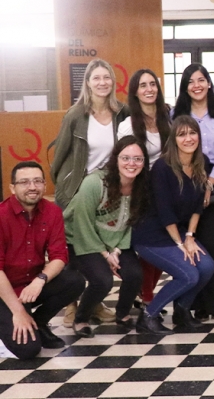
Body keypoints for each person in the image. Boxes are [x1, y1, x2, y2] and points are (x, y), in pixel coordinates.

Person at [132, 117, 214, 334]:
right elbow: (164, 210)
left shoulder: (202, 162)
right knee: (189, 274)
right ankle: (148, 316)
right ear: (174, 139)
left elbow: (198, 205)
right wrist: (181, 244)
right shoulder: (163, 166)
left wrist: (190, 237)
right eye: (181, 134)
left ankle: (182, 311)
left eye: (192, 133)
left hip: (176, 231)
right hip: (151, 233)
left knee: (206, 267)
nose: (188, 138)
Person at [63, 137, 147, 337]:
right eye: (126, 158)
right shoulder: (94, 183)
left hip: (116, 241)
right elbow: (82, 223)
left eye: (138, 159)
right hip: (79, 239)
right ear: (115, 158)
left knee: (135, 274)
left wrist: (116, 250)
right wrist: (104, 253)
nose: (131, 164)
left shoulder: (141, 186)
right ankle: (81, 318)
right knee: (103, 280)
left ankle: (123, 314)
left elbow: (132, 222)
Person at [0, 162, 85, 357]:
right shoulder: (1, 216)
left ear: (45, 185)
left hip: (29, 285)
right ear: (12, 187)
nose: (32, 187)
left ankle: (37, 322)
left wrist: (40, 280)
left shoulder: (52, 211)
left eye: (37, 181)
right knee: (29, 350)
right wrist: (18, 312)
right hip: (4, 291)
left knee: (74, 281)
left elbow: (59, 257)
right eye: (24, 182)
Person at [172, 63, 214, 322]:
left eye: (201, 79)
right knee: (188, 247)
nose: (196, 85)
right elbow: (174, 149)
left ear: (209, 82)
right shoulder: (177, 113)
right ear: (185, 87)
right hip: (184, 187)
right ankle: (192, 302)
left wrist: (208, 183)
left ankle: (213, 301)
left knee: (208, 245)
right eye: (190, 82)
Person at [117, 69, 174, 312]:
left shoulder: (168, 117)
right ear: (135, 92)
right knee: (148, 245)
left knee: (164, 242)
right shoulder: (128, 124)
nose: (149, 89)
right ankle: (146, 295)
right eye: (143, 85)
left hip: (167, 189)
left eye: (153, 84)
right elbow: (121, 158)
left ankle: (146, 292)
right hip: (141, 193)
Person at [52, 58, 130, 209]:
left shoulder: (123, 112)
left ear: (113, 81)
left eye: (106, 77)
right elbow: (59, 156)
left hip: (109, 190)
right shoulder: (74, 115)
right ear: (88, 83)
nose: (102, 82)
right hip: (77, 191)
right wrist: (63, 185)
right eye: (96, 78)